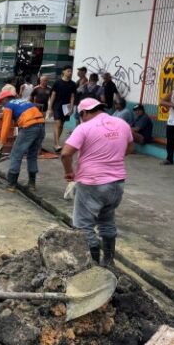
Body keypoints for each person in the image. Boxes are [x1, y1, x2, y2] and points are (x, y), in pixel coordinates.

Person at [60, 98, 133, 266]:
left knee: (83, 225)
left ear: (84, 112)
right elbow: (129, 148)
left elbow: (65, 154)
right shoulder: (121, 123)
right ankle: (108, 261)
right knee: (107, 220)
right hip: (117, 183)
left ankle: (92, 266)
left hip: (92, 182)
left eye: (81, 115)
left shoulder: (84, 128)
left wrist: (69, 172)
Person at [0, 89, 46, 191]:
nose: (2, 104)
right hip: (41, 126)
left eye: (2, 101)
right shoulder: (24, 101)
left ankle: (11, 185)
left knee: (15, 154)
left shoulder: (8, 105)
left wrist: (1, 143)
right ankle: (32, 185)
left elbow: (6, 126)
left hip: (29, 127)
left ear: (6, 99)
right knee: (32, 155)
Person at [49, 66, 77, 152]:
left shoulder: (73, 84)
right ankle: (57, 144)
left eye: (71, 71)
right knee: (58, 124)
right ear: (63, 72)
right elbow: (53, 95)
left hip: (67, 106)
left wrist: (71, 108)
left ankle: (55, 143)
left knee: (61, 125)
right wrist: (50, 107)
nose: (70, 73)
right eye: (68, 71)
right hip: (57, 105)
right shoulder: (57, 82)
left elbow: (72, 97)